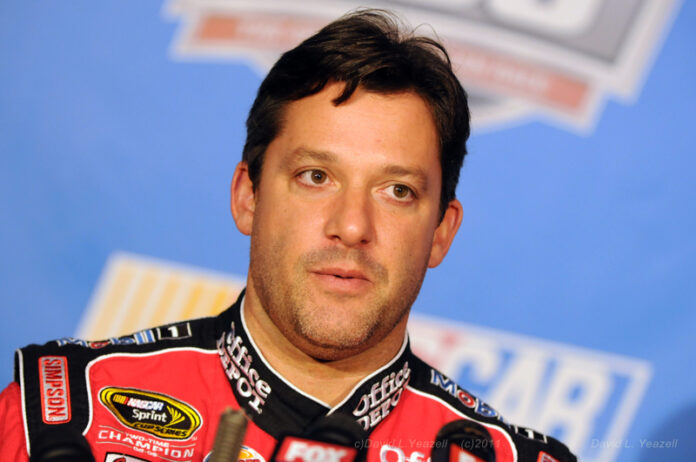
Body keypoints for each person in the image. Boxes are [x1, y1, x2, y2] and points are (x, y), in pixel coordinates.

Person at [0, 9, 576, 462]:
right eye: (315, 177)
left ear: (441, 233)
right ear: (247, 197)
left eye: (397, 190)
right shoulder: (59, 420)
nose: (352, 226)